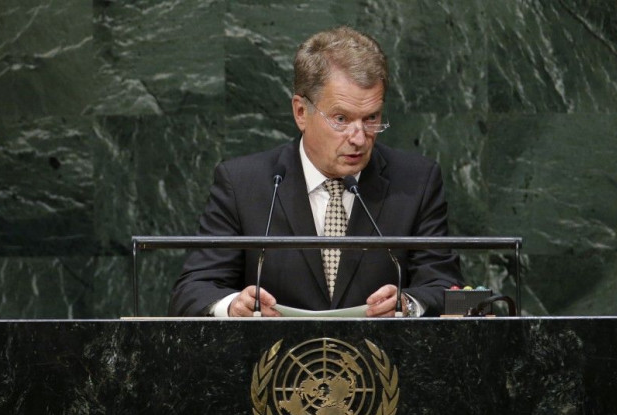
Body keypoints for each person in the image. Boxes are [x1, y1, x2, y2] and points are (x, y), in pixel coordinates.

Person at [169, 26, 463, 318]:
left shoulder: (415, 182)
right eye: (341, 118)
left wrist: (409, 304)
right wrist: (233, 306)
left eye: (371, 118)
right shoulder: (244, 184)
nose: (359, 138)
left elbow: (446, 286)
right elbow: (194, 289)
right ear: (301, 112)